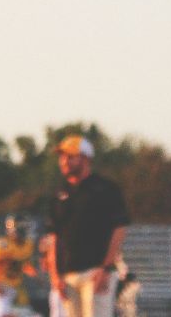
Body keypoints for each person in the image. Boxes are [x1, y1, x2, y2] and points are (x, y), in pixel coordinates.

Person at [41, 136, 128, 317]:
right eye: (62, 157)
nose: (64, 161)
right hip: (68, 275)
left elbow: (119, 229)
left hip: (95, 271)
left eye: (71, 157)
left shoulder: (104, 189)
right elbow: (54, 236)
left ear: (86, 159)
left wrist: (106, 268)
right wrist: (55, 275)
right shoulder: (59, 193)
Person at [0, 217, 36, 317]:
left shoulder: (28, 245)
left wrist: (33, 271)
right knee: (1, 313)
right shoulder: (2, 245)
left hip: (15, 286)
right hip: (0, 286)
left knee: (24, 311)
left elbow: (25, 263)